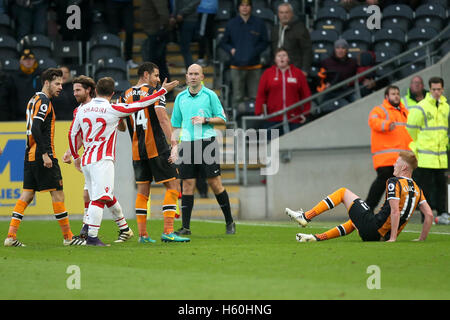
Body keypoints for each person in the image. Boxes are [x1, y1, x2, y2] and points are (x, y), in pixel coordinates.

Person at [68, 77, 178, 246]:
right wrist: (163, 90)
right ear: (112, 93)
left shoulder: (82, 109)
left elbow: (72, 134)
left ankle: (124, 228)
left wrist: (76, 156)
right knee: (100, 197)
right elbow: (141, 104)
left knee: (102, 195)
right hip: (102, 160)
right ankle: (92, 237)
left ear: (95, 91)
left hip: (87, 159)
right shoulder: (112, 108)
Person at [4, 68, 86, 247]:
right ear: (47, 83)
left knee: (26, 195)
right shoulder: (43, 101)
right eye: (57, 84)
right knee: (58, 194)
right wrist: (45, 154)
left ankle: (11, 236)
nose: (60, 88)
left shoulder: (33, 99)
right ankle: (68, 237)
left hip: (29, 155)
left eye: (62, 84)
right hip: (42, 154)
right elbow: (35, 128)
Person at [286, 151, 434, 242]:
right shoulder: (417, 189)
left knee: (343, 192)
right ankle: (316, 238)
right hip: (379, 236)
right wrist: (422, 239)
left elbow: (395, 211)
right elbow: (429, 215)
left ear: (404, 168)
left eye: (397, 162)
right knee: (356, 219)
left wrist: (393, 239)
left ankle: (306, 216)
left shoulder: (394, 182)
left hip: (375, 229)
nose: (394, 165)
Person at [120, 62, 189, 243]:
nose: (158, 80)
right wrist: (173, 142)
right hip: (157, 147)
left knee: (143, 191)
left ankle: (143, 235)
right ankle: (168, 231)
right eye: (156, 75)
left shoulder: (124, 95)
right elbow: (163, 118)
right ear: (145, 74)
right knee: (173, 186)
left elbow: (120, 124)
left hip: (137, 150)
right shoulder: (155, 94)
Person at [62, 75, 132, 242]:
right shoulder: (79, 110)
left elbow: (121, 128)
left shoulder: (104, 107)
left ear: (89, 91)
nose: (75, 94)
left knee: (94, 196)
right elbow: (78, 135)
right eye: (74, 90)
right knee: (104, 195)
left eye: (78, 90)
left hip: (98, 158)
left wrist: (118, 116)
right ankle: (124, 229)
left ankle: (87, 231)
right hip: (89, 157)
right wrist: (71, 152)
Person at [171, 64, 236, 235]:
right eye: (190, 74)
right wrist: (174, 146)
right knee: (187, 185)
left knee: (215, 183)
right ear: (186, 76)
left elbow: (222, 119)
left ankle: (229, 222)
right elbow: (176, 124)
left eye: (196, 74)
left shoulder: (210, 95)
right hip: (186, 144)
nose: (193, 77)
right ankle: (185, 227)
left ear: (202, 77)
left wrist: (205, 119)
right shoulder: (180, 98)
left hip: (207, 142)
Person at [407, 77, 449, 224]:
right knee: (425, 190)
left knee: (441, 188)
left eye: (439, 89)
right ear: (429, 90)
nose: (436, 92)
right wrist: (419, 144)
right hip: (425, 156)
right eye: (434, 89)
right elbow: (411, 128)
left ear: (442, 89)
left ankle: (443, 214)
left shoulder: (446, 107)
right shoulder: (421, 106)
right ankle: (426, 217)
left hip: (440, 156)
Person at [365, 85, 411, 212]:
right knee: (382, 182)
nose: (396, 95)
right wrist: (386, 124)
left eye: (397, 93)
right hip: (385, 157)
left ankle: (387, 210)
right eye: (393, 93)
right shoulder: (380, 110)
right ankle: (368, 207)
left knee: (396, 187)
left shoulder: (405, 112)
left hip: (401, 158)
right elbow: (373, 122)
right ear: (387, 97)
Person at [219, 0, 269, 108]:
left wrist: (254, 51)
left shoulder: (259, 23)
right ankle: (236, 120)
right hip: (236, 66)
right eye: (242, 5)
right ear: (238, 8)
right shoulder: (231, 23)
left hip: (254, 65)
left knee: (256, 96)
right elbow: (223, 42)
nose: (245, 8)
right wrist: (231, 49)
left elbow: (265, 42)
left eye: (247, 5)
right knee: (237, 97)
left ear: (251, 7)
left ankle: (256, 121)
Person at [255, 48, 311, 136]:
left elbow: (306, 94)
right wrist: (259, 112)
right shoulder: (267, 73)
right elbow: (261, 95)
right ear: (275, 59)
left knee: (294, 145)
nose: (281, 58)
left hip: (294, 117)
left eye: (284, 55)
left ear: (288, 58)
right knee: (273, 146)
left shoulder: (298, 73)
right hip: (273, 117)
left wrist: (306, 113)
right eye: (279, 56)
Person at [271, 2, 312, 76]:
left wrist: (305, 69)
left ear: (292, 14)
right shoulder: (275, 29)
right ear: (278, 14)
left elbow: (307, 50)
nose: (284, 15)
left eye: (287, 12)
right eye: (281, 13)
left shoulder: (300, 28)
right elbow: (272, 50)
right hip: (277, 70)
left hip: (295, 69)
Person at [140, 0, 171, 84]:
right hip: (153, 32)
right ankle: (163, 87)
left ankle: (165, 87)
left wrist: (161, 29)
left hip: (156, 32)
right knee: (157, 62)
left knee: (157, 63)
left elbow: (164, 14)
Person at [10, 48, 43, 120]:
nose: (28, 61)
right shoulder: (13, 77)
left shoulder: (42, 76)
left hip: (39, 116)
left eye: (30, 59)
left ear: (34, 60)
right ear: (20, 61)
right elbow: (11, 99)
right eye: (25, 59)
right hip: (19, 118)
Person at [105, 0, 138, 69]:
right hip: (112, 2)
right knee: (114, 32)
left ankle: (129, 59)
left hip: (127, 3)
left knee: (130, 30)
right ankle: (115, 58)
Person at [174, 0, 201, 70]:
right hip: (183, 20)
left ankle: (191, 71)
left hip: (189, 20)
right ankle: (191, 71)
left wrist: (181, 13)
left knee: (185, 48)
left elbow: (195, 2)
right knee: (184, 47)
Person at [196, 0, 218, 67]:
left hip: (206, 9)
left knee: (202, 34)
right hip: (211, 8)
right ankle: (212, 58)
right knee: (209, 35)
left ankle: (201, 59)